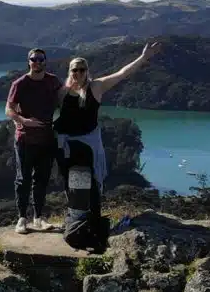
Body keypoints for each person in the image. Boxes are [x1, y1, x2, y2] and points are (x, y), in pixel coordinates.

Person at [54, 40, 163, 250]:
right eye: (74, 70)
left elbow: (122, 73)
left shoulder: (96, 87)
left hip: (87, 148)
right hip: (67, 148)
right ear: (69, 72)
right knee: (73, 186)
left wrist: (143, 57)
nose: (78, 73)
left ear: (87, 71)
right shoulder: (62, 92)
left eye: (81, 69)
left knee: (92, 184)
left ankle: (92, 229)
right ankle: (79, 225)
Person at [5, 48, 62, 233]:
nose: (37, 62)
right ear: (28, 62)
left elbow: (65, 101)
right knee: (23, 179)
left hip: (47, 139)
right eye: (33, 59)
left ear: (45, 61)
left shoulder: (53, 81)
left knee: (42, 180)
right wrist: (23, 121)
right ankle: (22, 218)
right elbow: (9, 109)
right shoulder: (20, 84)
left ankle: (38, 218)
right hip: (25, 139)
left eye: (40, 59)